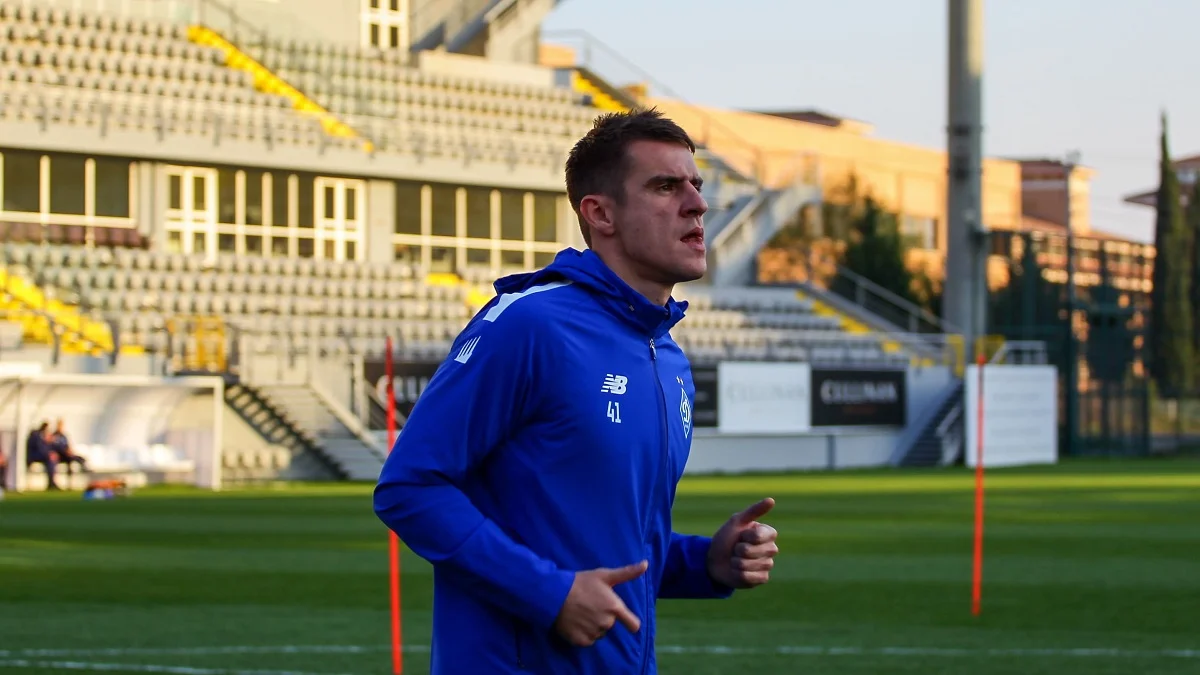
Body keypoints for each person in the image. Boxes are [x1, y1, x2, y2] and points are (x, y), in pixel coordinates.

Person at [373, 108, 779, 674]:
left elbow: (605, 543)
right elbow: (410, 487)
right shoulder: (530, 324)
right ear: (600, 213)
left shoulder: (667, 356)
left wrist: (704, 562)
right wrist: (549, 593)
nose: (697, 204)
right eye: (666, 186)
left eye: (696, 184)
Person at [26, 421, 59, 491]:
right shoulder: (36, 436)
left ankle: (51, 482)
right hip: (35, 456)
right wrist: (48, 454)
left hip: (44, 457)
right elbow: (39, 449)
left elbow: (52, 448)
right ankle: (51, 482)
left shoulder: (46, 437)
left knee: (52, 461)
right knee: (50, 460)